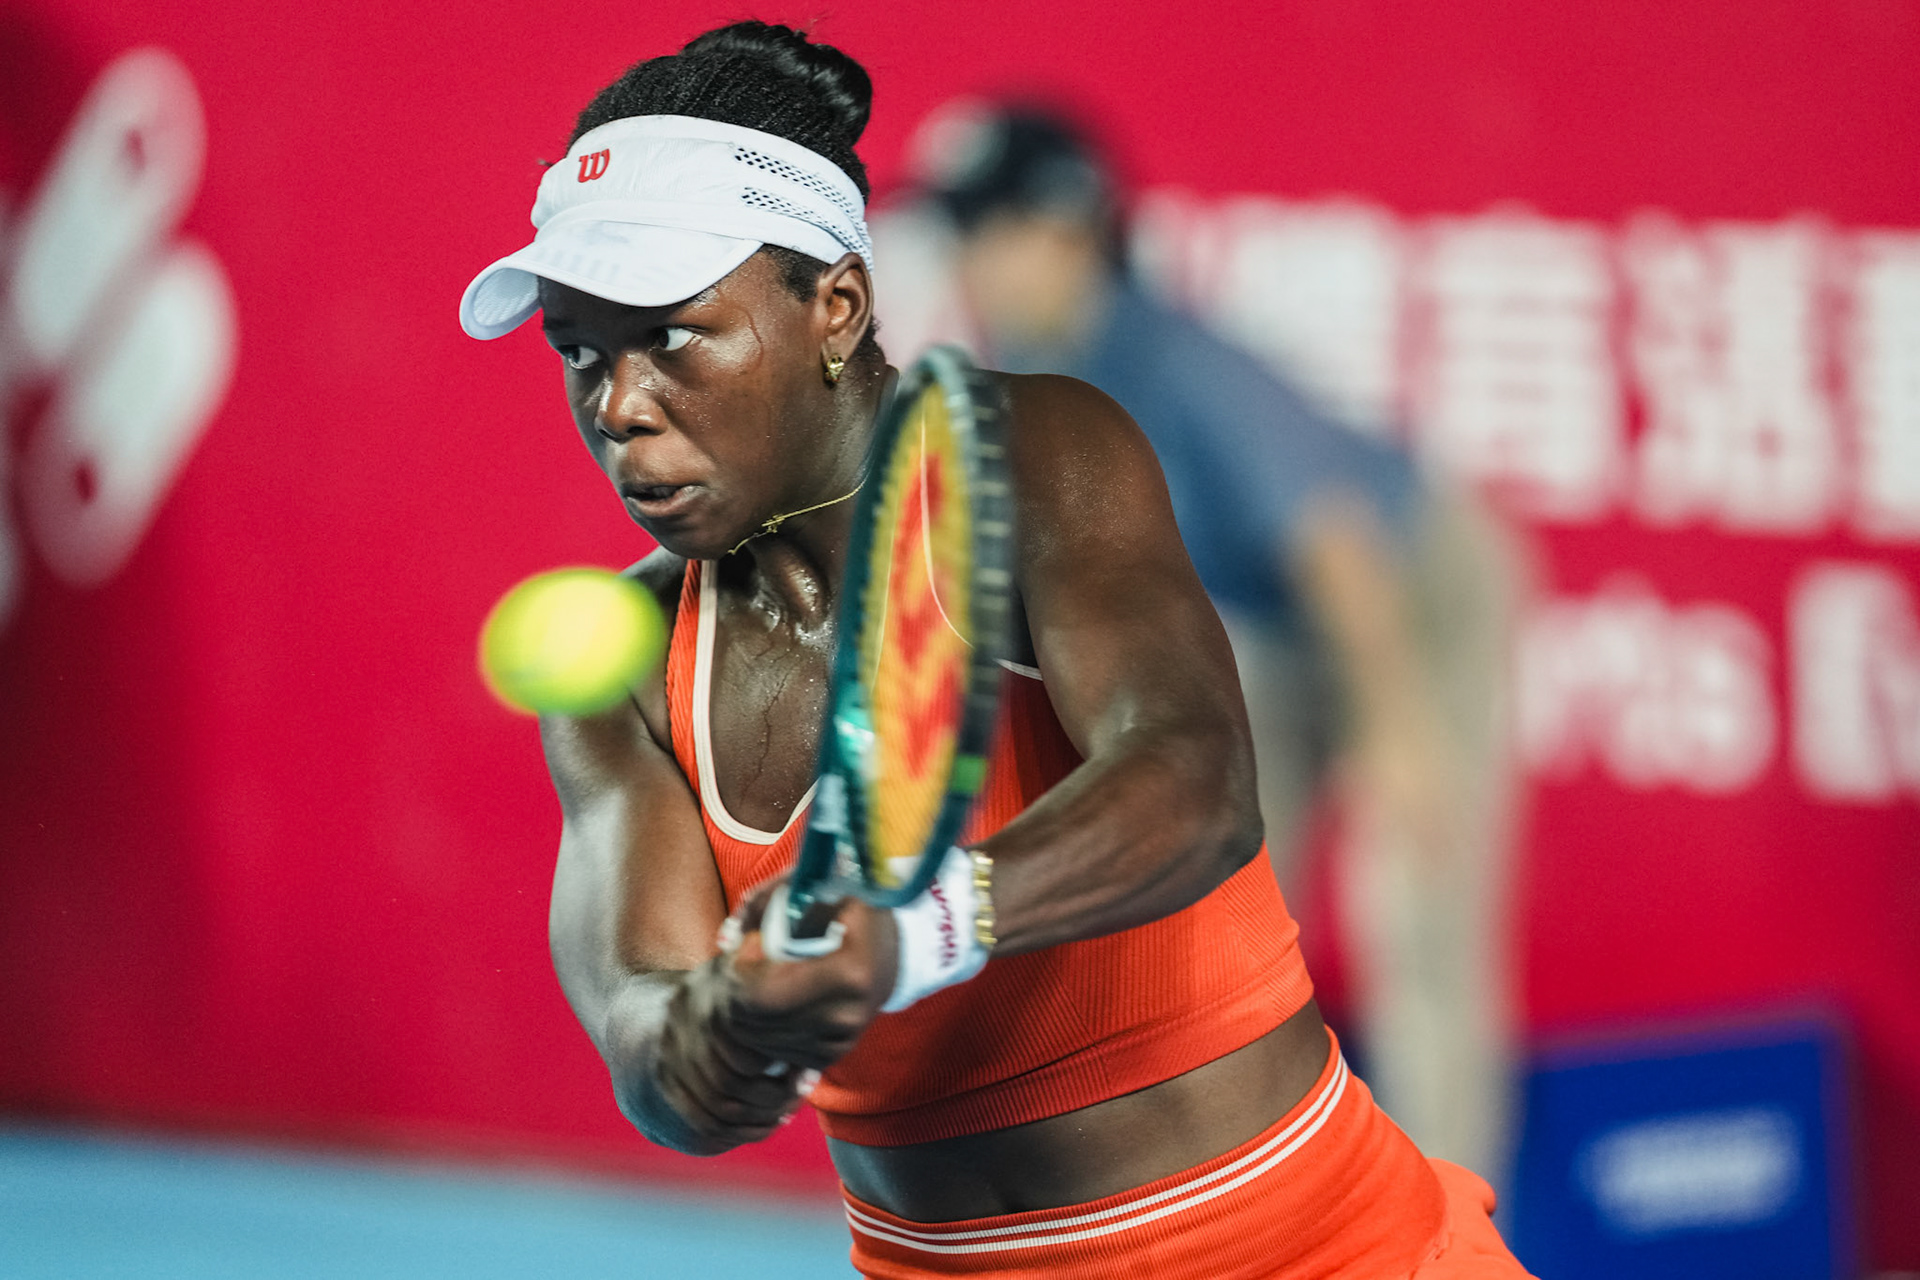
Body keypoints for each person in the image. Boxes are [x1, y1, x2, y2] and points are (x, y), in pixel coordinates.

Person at [459, 22, 1531, 1278]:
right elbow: (652, 1045)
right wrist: (723, 1037)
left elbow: (1196, 783)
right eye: (579, 350)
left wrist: (914, 931)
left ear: (836, 309)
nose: (618, 404)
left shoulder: (1042, 447)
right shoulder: (628, 671)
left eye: (676, 334)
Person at [901, 105, 1524, 1183]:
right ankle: (1235, 1196)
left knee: (1416, 922)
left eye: (989, 227)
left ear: (1068, 228)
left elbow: (1337, 543)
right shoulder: (1022, 359)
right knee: (1219, 896)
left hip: (1410, 598)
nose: (971, 259)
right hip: (1264, 625)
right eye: (961, 231)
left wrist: (1403, 734)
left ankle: (1446, 1223)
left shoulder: (1178, 362)